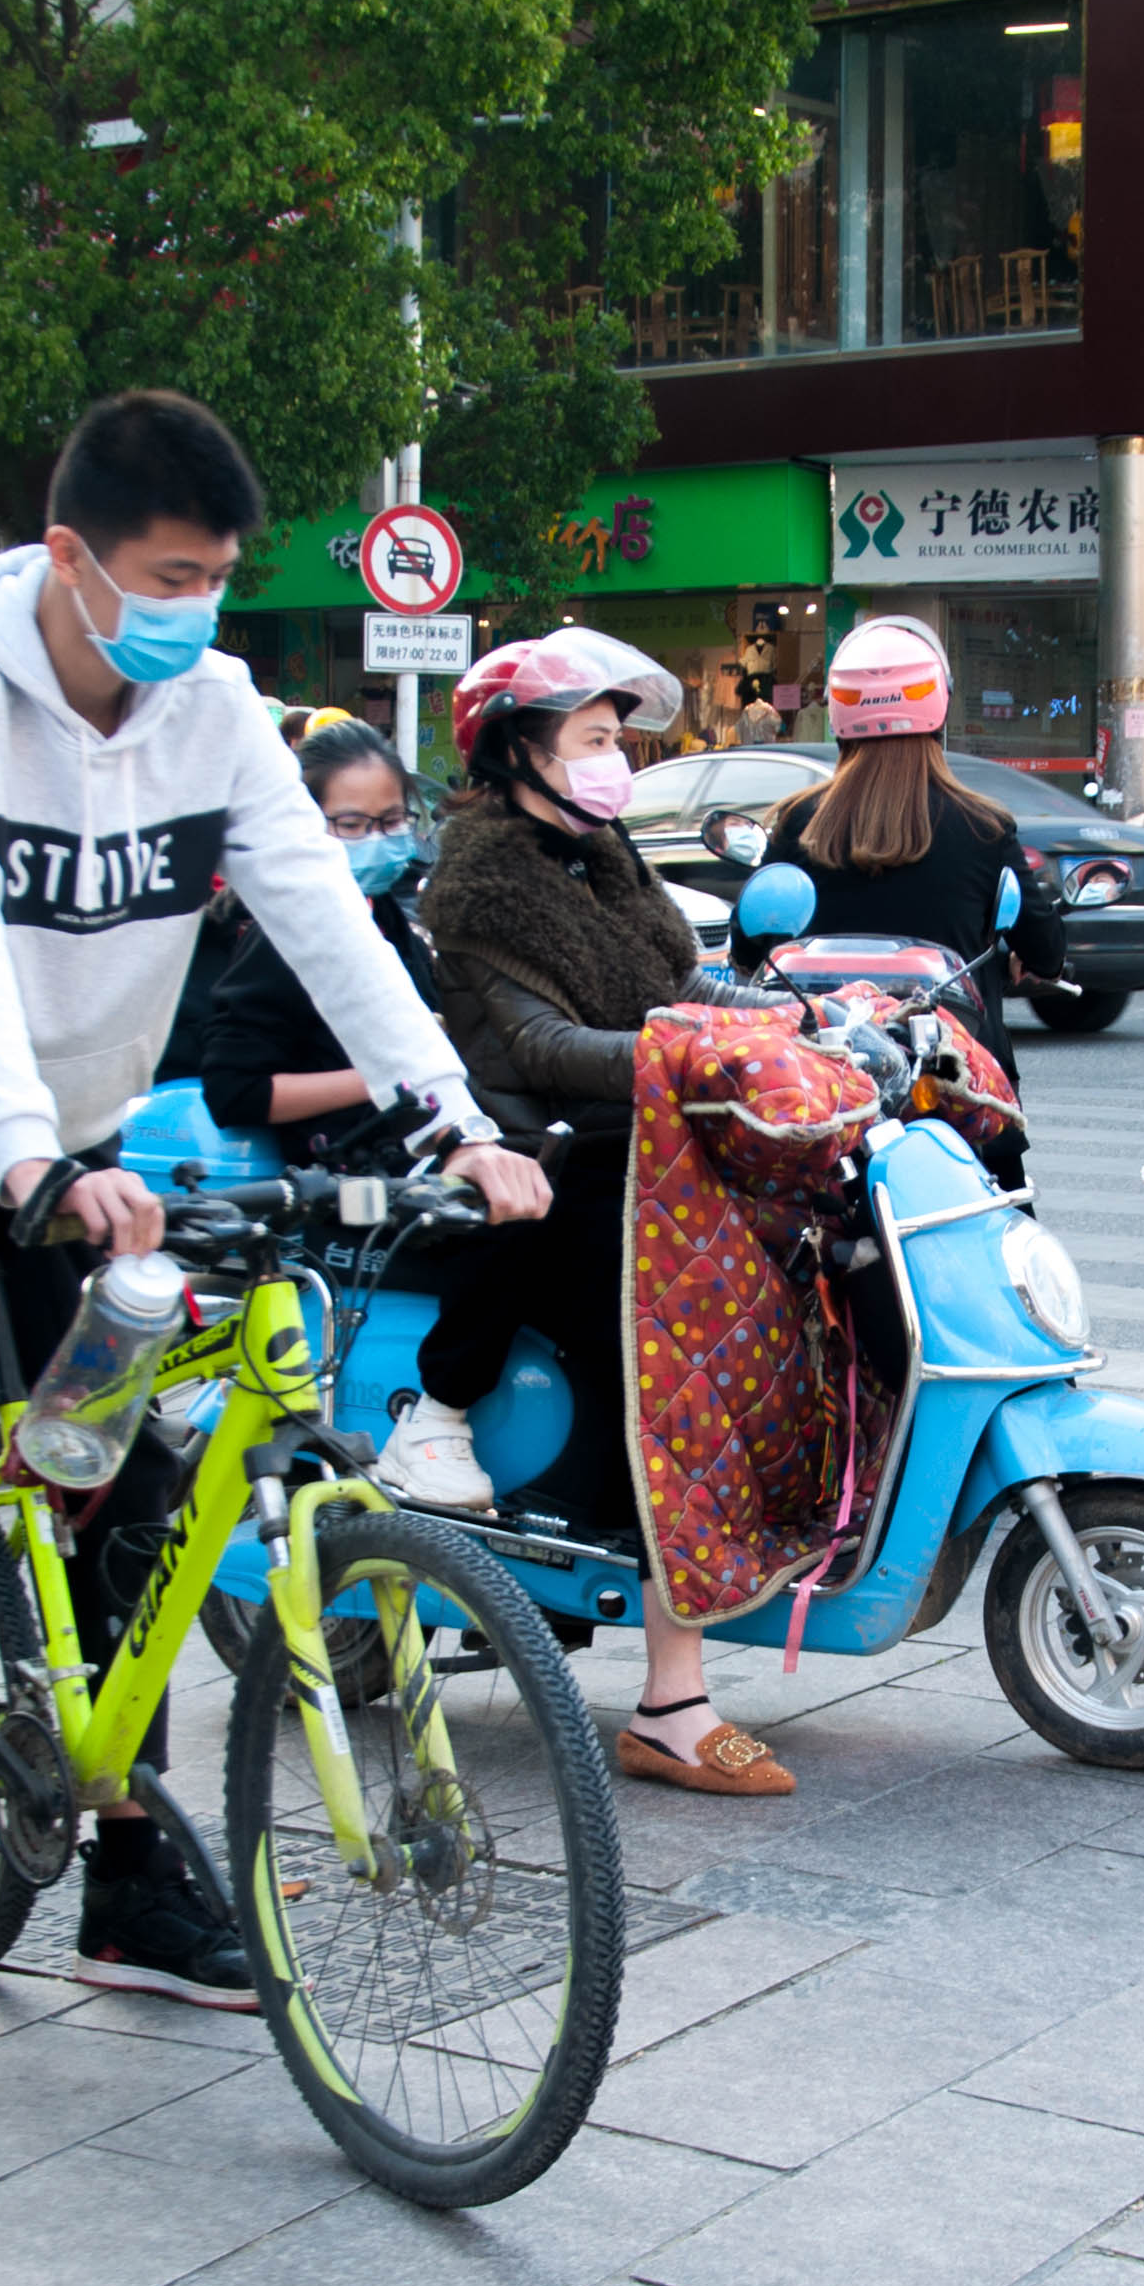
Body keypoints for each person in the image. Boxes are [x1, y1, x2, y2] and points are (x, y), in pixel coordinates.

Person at [0, 390, 550, 2087]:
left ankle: (123, 1880)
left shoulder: (219, 713)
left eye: (218, 576)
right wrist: (20, 1151)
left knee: (118, 1495)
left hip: (77, 1147)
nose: (196, 605)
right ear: (71, 560)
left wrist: (455, 1116)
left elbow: (326, 912)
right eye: (169, 573)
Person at [387, 630, 809, 1798]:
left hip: (647, 1147)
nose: (613, 759)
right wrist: (694, 1046)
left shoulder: (604, 862)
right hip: (546, 1157)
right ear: (518, 748)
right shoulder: (479, 887)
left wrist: (786, 1008)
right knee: (676, 1379)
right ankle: (670, 1703)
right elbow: (534, 1046)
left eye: (617, 739)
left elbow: (675, 988)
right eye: (592, 738)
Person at [760, 615, 1065, 1186]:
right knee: (997, 1237)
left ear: (838, 714)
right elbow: (1045, 948)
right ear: (940, 705)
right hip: (956, 1077)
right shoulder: (983, 826)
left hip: (828, 1081)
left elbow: (752, 945)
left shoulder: (799, 823)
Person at [201, 718, 443, 1157]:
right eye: (351, 825)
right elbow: (234, 1092)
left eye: (391, 821)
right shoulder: (279, 935)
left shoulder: (383, 909)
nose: (377, 839)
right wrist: (390, 1077)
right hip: (324, 1191)